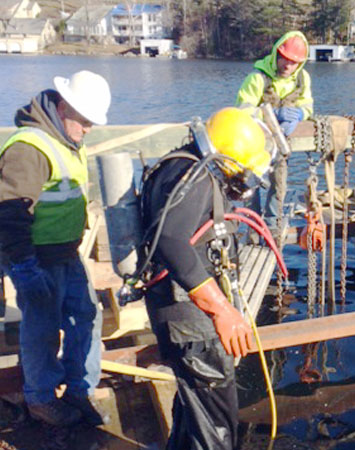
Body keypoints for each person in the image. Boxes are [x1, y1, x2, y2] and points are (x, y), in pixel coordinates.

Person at [139, 107, 274, 449]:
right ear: (231, 157)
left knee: (194, 408)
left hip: (177, 311)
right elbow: (170, 240)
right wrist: (221, 310)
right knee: (216, 422)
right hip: (189, 319)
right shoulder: (197, 176)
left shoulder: (180, 164)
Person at [0, 71, 111, 426]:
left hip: (66, 253)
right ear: (64, 107)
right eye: (84, 120)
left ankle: (79, 390)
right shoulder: (29, 147)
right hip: (37, 257)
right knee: (41, 329)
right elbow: (9, 211)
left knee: (86, 320)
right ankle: (42, 399)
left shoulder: (66, 139)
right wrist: (25, 267)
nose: (89, 128)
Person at [236, 31, 313, 226]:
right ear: (276, 54)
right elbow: (243, 110)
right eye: (285, 59)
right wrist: (274, 115)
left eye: (294, 62)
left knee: (279, 188)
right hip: (253, 145)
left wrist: (300, 115)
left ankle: (273, 234)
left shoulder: (302, 78)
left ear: (301, 63)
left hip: (281, 145)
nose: (288, 65)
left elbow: (308, 106)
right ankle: (252, 233)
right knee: (249, 188)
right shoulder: (257, 78)